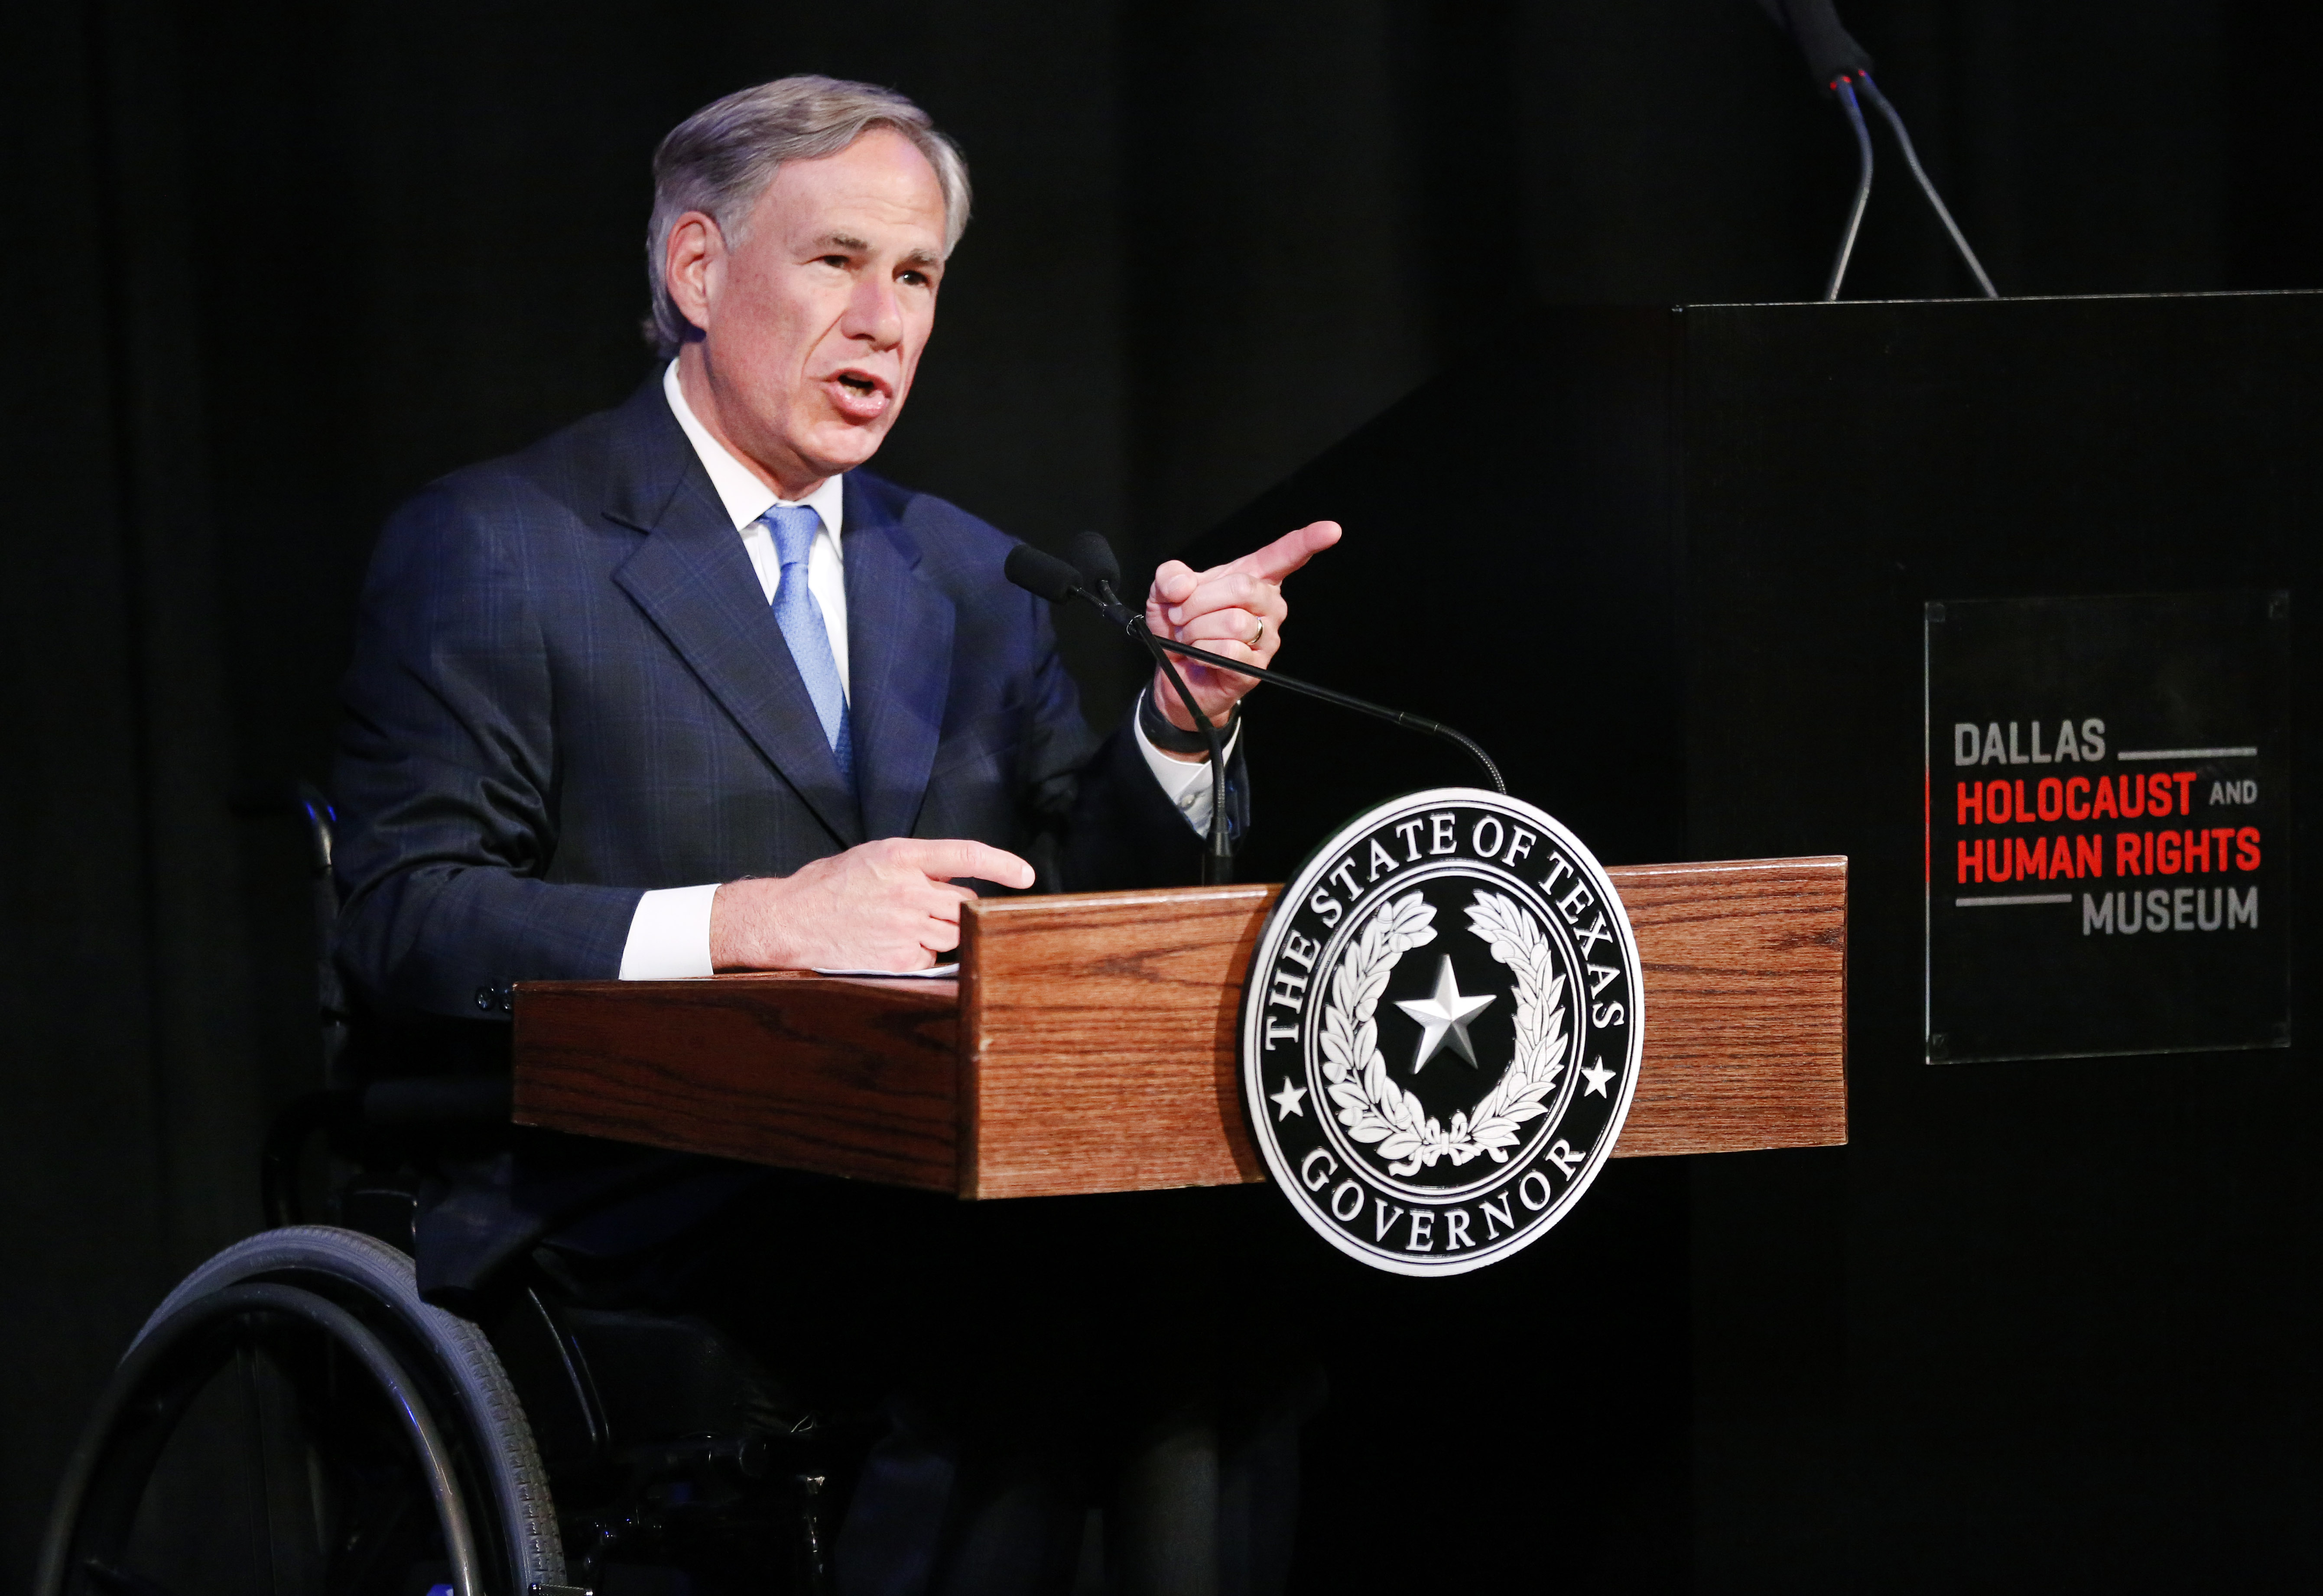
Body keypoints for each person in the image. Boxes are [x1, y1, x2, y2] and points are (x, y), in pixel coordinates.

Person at [331, 75, 1339, 1595]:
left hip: (925, 1158)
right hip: (623, 1188)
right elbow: (407, 918)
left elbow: (1083, 905)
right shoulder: (497, 544)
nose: (886, 319)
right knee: (1003, 1302)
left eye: (918, 275)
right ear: (696, 269)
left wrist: (1183, 724)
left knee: (1231, 1278)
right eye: (837, 261)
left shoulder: (965, 572)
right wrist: (750, 920)